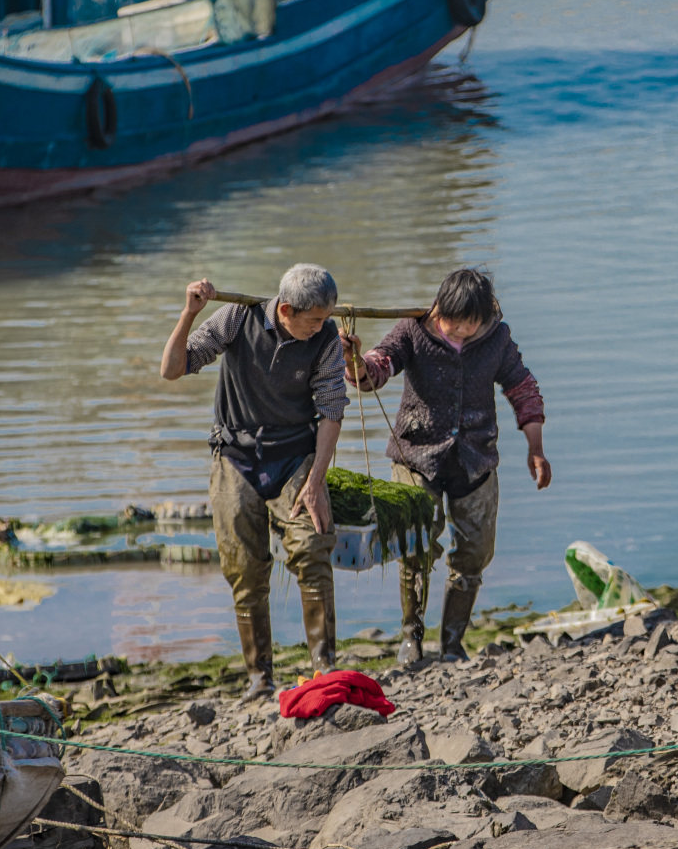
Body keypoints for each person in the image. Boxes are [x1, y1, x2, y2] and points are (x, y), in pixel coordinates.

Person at [344, 268, 550, 665]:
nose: (456, 331)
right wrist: (356, 361)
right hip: (416, 456)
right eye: (449, 323)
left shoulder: (497, 339)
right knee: (416, 546)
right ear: (437, 309)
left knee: (474, 552)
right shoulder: (413, 330)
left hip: (475, 458)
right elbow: (379, 366)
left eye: (467, 326)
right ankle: (412, 636)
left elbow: (523, 388)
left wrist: (535, 448)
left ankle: (453, 642)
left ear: (483, 318)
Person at [161, 265, 346, 699]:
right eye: (314, 320)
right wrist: (188, 314)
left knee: (313, 547)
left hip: (295, 455)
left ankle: (325, 668)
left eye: (325, 319)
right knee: (244, 569)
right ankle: (260, 678)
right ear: (285, 310)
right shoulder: (237, 320)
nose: (321, 327)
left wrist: (315, 481)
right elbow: (172, 369)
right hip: (235, 458)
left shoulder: (325, 339)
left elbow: (332, 409)